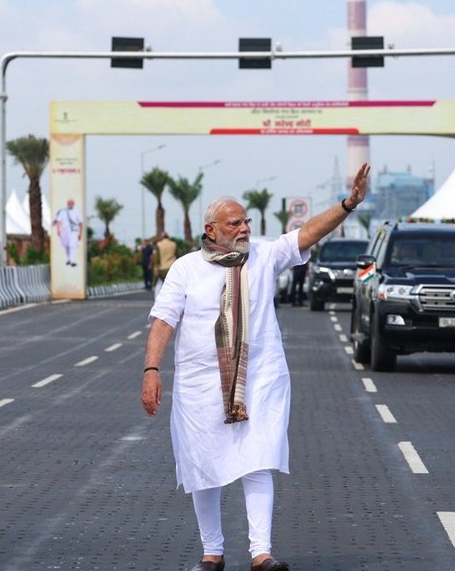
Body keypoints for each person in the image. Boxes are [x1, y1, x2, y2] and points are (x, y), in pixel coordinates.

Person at [141, 164, 371, 571]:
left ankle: (261, 553)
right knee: (203, 464)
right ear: (211, 230)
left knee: (258, 457)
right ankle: (212, 553)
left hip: (259, 378)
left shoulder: (263, 256)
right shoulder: (186, 269)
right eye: (235, 223)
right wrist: (151, 371)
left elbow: (307, 233)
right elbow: (163, 322)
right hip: (199, 384)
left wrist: (348, 204)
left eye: (246, 221)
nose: (245, 228)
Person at [53, 198, 84, 266]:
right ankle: (68, 259)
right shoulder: (63, 212)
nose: (70, 204)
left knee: (73, 246)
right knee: (66, 246)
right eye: (68, 203)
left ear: (73, 204)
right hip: (64, 231)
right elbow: (58, 221)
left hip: (74, 231)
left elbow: (81, 223)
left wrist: (80, 233)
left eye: (71, 203)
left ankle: (72, 261)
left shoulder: (77, 212)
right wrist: (58, 230)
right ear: (67, 204)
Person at [153, 232, 177, 296]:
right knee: (172, 285)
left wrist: (156, 267)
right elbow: (177, 255)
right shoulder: (173, 244)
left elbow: (157, 258)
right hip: (172, 267)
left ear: (162, 237)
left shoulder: (159, 244)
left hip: (162, 268)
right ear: (168, 237)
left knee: (159, 284)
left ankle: (157, 299)